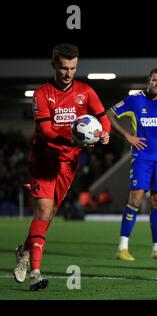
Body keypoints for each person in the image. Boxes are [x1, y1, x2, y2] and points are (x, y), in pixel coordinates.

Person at [13, 43, 111, 291]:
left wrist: (104, 134)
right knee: (43, 214)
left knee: (48, 219)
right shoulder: (42, 94)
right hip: (44, 161)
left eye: (73, 68)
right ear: (54, 65)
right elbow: (46, 131)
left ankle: (24, 251)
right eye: (64, 68)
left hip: (68, 165)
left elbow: (103, 119)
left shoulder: (86, 91)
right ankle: (35, 272)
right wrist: (77, 137)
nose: (69, 73)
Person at [107, 68, 157, 262]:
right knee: (136, 199)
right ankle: (122, 248)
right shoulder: (134, 100)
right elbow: (109, 115)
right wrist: (127, 136)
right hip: (141, 157)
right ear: (148, 81)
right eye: (154, 80)